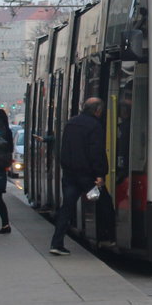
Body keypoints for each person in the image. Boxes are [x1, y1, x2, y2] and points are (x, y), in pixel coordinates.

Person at [49, 98, 108, 255]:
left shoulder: (71, 123)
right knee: (104, 203)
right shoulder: (95, 126)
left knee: (66, 209)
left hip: (69, 174)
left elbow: (64, 148)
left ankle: (56, 243)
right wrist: (100, 174)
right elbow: (96, 152)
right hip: (87, 175)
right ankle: (107, 237)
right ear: (97, 111)